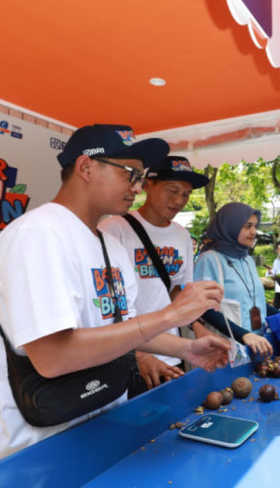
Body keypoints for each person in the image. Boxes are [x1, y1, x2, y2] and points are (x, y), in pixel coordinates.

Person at [0, 124, 229, 465]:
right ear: (86, 167)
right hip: (43, 444)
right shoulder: (38, 234)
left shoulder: (109, 245)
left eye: (140, 176)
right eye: (130, 174)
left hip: (105, 421)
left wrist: (187, 348)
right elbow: (53, 356)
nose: (138, 187)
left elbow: (122, 329)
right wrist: (171, 316)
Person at [99, 155, 220, 389]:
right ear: (147, 185)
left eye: (186, 194)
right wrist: (138, 353)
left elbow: (177, 291)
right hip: (128, 357)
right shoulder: (113, 229)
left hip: (172, 352)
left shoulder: (182, 235)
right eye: (172, 190)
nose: (179, 200)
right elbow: (105, 306)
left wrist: (197, 326)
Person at [193, 202, 273, 356]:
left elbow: (256, 301)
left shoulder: (247, 259)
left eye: (255, 226)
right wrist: (243, 334)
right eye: (247, 226)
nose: (254, 232)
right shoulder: (209, 259)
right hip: (227, 347)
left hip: (258, 344)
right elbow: (204, 309)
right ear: (230, 225)